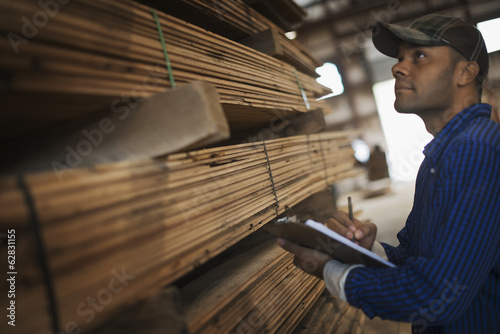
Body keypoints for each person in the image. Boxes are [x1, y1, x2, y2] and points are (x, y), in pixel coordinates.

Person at [278, 14, 500, 333]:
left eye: (419, 56)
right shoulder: (442, 154)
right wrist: (368, 251)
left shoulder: (475, 150)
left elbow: (435, 296)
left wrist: (333, 271)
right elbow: (418, 258)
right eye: (400, 58)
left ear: (466, 72)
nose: (398, 67)